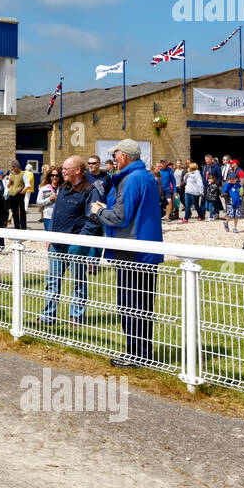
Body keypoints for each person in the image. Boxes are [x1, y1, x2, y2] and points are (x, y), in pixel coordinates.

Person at [91, 139, 163, 368]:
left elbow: (120, 216)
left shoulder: (131, 179)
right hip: (145, 248)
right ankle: (142, 354)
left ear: (124, 156)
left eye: (116, 155)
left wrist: (100, 210)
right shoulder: (146, 177)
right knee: (142, 305)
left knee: (130, 304)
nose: (114, 159)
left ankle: (137, 355)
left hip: (132, 248)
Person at [40, 155, 101, 326]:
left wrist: (80, 240)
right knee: (51, 281)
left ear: (78, 170)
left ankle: (76, 317)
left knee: (78, 282)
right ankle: (47, 317)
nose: (62, 171)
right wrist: (50, 236)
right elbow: (55, 215)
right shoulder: (63, 188)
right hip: (57, 244)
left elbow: (94, 218)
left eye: (66, 168)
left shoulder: (90, 190)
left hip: (76, 245)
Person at [222, 159, 244, 232]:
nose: (231, 165)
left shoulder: (240, 171)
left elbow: (242, 182)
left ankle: (235, 227)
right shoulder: (232, 172)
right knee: (231, 214)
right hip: (231, 197)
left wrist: (240, 191)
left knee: (237, 214)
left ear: (235, 164)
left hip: (237, 195)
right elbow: (225, 189)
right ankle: (227, 222)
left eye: (232, 163)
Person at [200, 154, 223, 221]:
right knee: (203, 200)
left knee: (214, 200)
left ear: (211, 159)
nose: (207, 161)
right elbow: (202, 176)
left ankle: (216, 213)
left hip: (213, 186)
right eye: (206, 160)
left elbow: (219, 177)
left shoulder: (216, 167)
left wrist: (217, 185)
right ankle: (202, 214)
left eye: (208, 159)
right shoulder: (204, 167)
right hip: (205, 186)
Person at [6, 160, 27, 229]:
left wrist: (22, 192)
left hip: (19, 194)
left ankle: (23, 227)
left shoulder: (23, 173)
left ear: (18, 167)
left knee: (22, 212)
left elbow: (27, 185)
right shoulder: (11, 174)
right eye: (12, 167)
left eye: (14, 167)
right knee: (14, 212)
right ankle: (17, 227)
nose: (13, 168)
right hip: (12, 195)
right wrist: (9, 180)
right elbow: (8, 186)